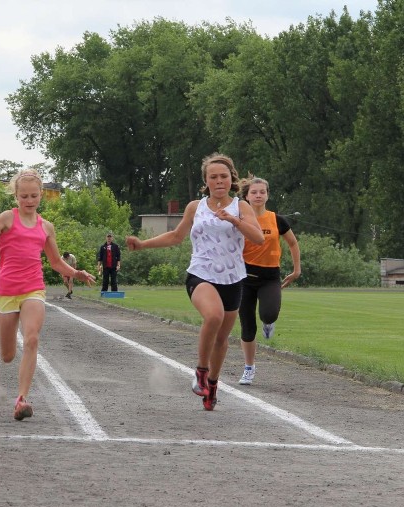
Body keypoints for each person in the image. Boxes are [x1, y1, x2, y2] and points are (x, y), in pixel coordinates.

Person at [126, 153, 264, 410]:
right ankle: (201, 372)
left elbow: (258, 238)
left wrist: (233, 220)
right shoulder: (195, 207)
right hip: (201, 274)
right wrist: (143, 244)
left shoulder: (241, 207)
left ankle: (212, 384)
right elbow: (176, 236)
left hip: (232, 279)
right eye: (213, 177)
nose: (219, 181)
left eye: (223, 176)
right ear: (207, 181)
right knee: (213, 316)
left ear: (231, 178)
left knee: (222, 339)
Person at [0, 168, 95, 420]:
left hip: (33, 287)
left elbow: (56, 262)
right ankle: (16, 378)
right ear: (16, 197)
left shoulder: (46, 227)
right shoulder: (6, 218)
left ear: (41, 196)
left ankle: (21, 399)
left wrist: (76, 272)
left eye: (34, 196)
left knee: (32, 339)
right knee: (7, 355)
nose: (29, 201)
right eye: (24, 196)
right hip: (6, 289)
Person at [236, 175, 301, 385]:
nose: (258, 195)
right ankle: (249, 367)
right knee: (247, 326)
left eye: (262, 192)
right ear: (246, 196)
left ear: (267, 195)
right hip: (244, 277)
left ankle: (268, 323)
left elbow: (292, 243)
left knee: (269, 313)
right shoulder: (239, 218)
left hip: (269, 277)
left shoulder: (277, 220)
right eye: (253, 192)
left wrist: (296, 269)